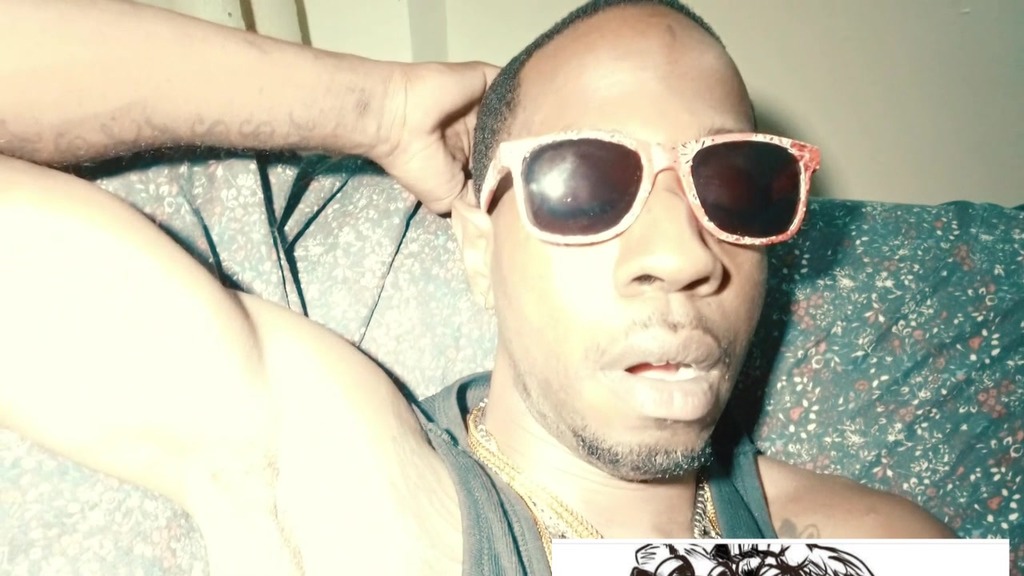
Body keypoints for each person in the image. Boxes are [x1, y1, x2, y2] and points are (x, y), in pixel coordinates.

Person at [0, 1, 954, 575]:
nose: (681, 254)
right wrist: (372, 109)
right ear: (475, 245)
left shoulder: (880, 546)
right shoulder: (359, 489)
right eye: (584, 182)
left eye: (737, 182)